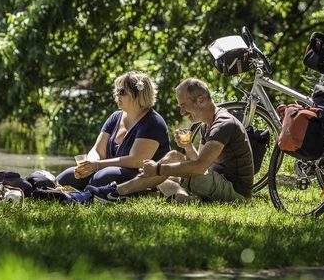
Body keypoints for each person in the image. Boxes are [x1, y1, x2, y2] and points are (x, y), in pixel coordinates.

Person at [87, 78, 253, 203]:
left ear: (200, 100)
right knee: (168, 171)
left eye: (183, 105)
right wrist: (188, 147)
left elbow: (200, 167)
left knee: (171, 161)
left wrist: (158, 169)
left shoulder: (223, 124)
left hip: (235, 192)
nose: (182, 112)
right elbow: (201, 162)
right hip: (216, 180)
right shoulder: (206, 124)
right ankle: (185, 199)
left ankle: (117, 192)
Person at [56, 71, 171, 190]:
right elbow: (97, 150)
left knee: (103, 177)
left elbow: (136, 161)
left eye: (122, 91)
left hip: (142, 176)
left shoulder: (153, 122)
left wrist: (97, 165)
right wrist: (88, 165)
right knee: (68, 177)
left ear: (138, 94)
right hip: (106, 169)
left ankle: (88, 194)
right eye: (116, 91)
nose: (117, 95)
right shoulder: (115, 117)